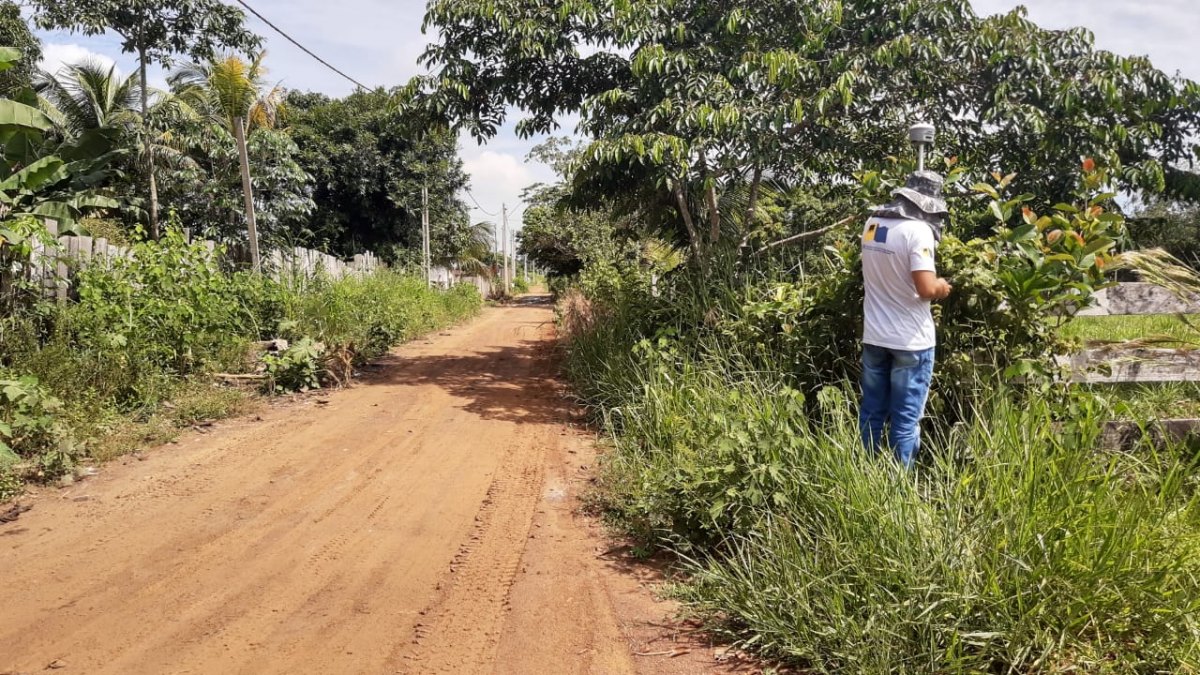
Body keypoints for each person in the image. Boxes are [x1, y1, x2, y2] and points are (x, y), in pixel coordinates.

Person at [859, 170, 952, 468]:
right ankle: (899, 493)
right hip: (911, 342)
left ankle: (865, 477)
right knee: (905, 420)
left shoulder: (872, 224)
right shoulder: (918, 231)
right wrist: (943, 287)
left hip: (874, 336)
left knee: (871, 412)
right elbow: (925, 287)